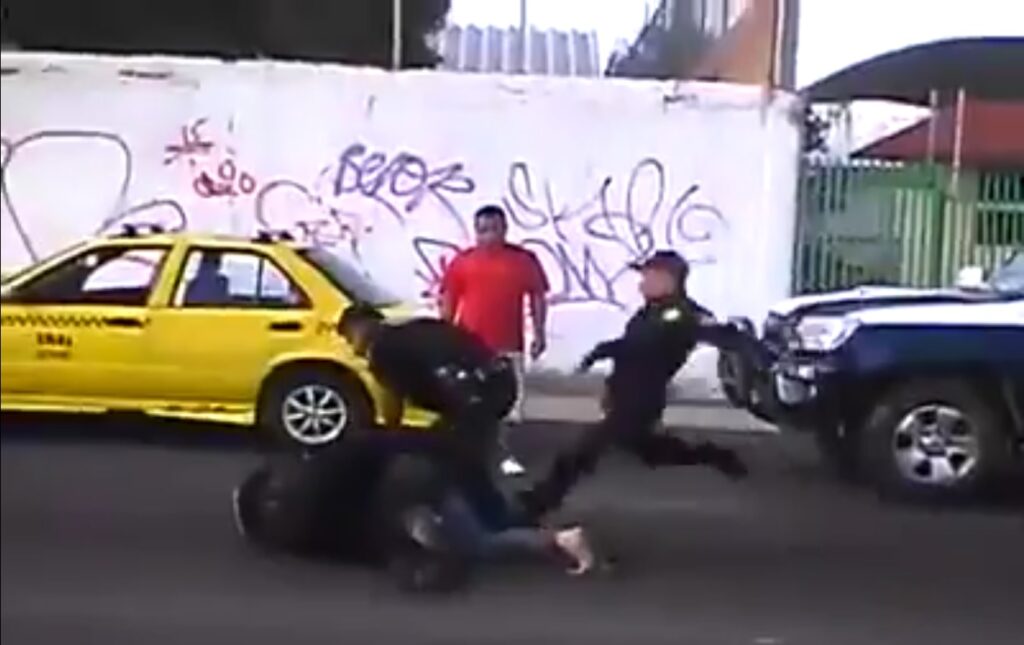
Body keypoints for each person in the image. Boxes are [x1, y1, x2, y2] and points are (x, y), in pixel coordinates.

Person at [517, 251, 757, 520]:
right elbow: (629, 347)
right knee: (650, 451)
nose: (642, 283)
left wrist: (754, 354)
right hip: (625, 393)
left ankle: (539, 502)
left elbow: (718, 334)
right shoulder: (649, 312)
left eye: (649, 276)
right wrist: (603, 363)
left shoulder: (682, 314)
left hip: (642, 399)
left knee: (581, 452)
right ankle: (713, 455)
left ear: (668, 279)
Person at [232, 435, 598, 594]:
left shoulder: (308, 528)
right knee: (486, 521)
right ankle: (536, 521)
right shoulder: (314, 470)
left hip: (410, 489)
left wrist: (413, 551)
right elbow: (373, 448)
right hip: (419, 477)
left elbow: (367, 545)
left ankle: (559, 539)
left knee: (480, 543)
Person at [440, 204, 549, 476]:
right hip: (469, 346)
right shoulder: (463, 262)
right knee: (469, 401)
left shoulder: (523, 261)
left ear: (504, 230)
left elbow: (537, 297)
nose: (487, 236)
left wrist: (539, 333)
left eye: (493, 230)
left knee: (509, 405)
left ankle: (504, 453)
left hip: (508, 346)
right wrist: (444, 336)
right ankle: (467, 453)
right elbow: (449, 299)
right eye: (482, 230)